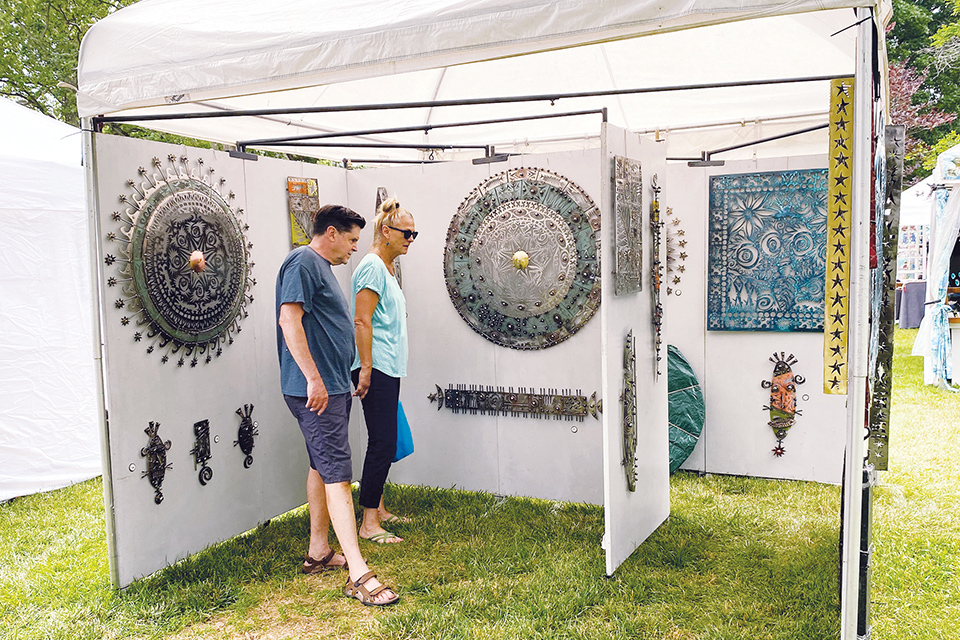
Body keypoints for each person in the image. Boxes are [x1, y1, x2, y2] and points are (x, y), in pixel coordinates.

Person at [276, 204, 398, 607]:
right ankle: (360, 575)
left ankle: (318, 551)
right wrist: (314, 378)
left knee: (320, 465)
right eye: (350, 239)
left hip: (331, 387)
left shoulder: (320, 266)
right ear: (331, 232)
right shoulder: (302, 263)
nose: (353, 248)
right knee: (337, 476)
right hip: (317, 390)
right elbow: (289, 321)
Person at [352, 198, 416, 544]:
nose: (410, 239)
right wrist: (365, 368)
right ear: (385, 231)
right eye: (406, 232)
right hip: (374, 367)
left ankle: (378, 508)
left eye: (414, 233)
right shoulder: (372, 267)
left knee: (386, 439)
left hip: (387, 366)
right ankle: (368, 525)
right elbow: (362, 319)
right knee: (382, 442)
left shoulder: (386, 269)